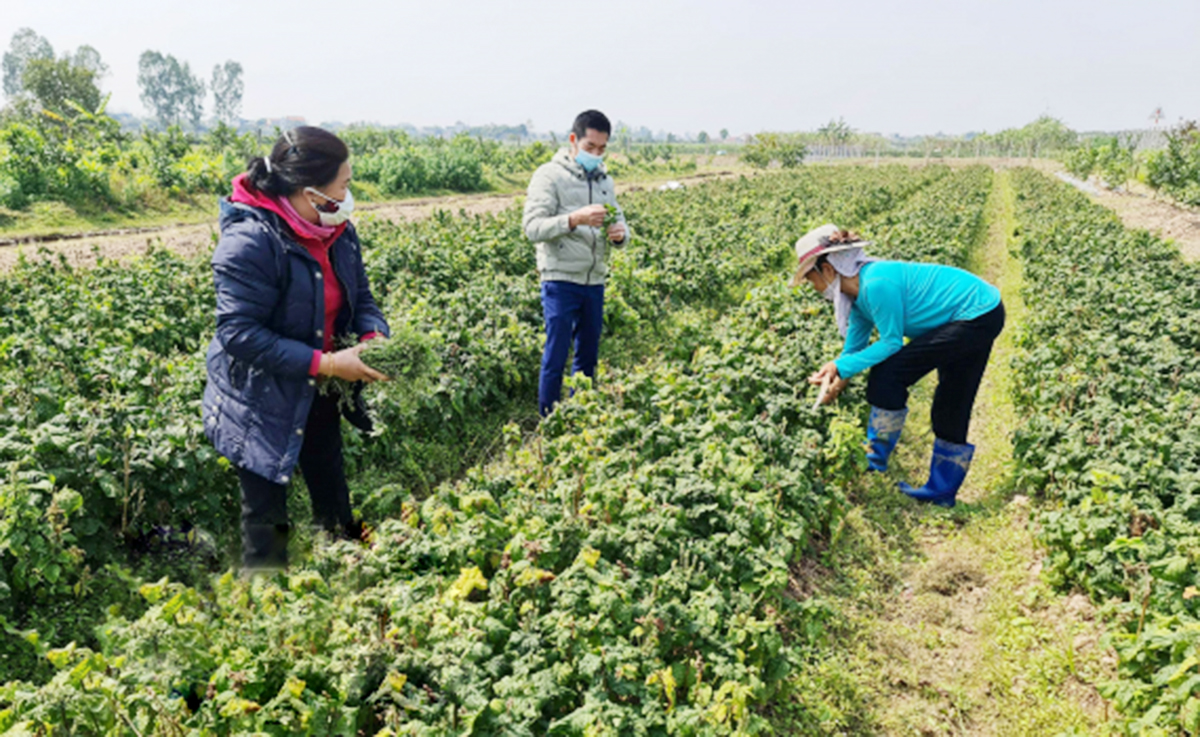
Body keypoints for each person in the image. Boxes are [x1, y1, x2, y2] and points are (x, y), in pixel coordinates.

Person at [203, 126, 390, 571]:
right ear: (310, 193)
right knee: (267, 525)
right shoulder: (250, 242)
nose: (348, 196)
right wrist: (325, 362)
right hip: (259, 400)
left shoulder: (338, 231)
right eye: (343, 186)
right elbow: (239, 333)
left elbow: (360, 297)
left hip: (322, 386)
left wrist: (372, 338)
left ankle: (353, 580)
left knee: (335, 500)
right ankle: (266, 616)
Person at [794, 224, 1004, 507]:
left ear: (828, 270)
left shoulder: (876, 284)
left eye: (811, 278)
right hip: (977, 311)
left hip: (976, 312)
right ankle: (941, 491)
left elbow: (891, 343)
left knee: (889, 374)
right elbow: (854, 347)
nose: (812, 286)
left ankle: (874, 462)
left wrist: (840, 368)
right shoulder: (857, 298)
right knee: (952, 397)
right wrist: (839, 377)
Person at [523, 109, 632, 416]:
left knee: (587, 357)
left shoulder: (604, 180)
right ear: (573, 141)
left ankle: (580, 416)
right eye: (589, 148)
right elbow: (532, 227)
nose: (596, 155)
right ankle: (549, 420)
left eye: (601, 149)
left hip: (594, 280)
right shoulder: (549, 176)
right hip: (560, 279)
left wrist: (620, 235)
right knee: (556, 357)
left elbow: (621, 222)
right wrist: (574, 219)